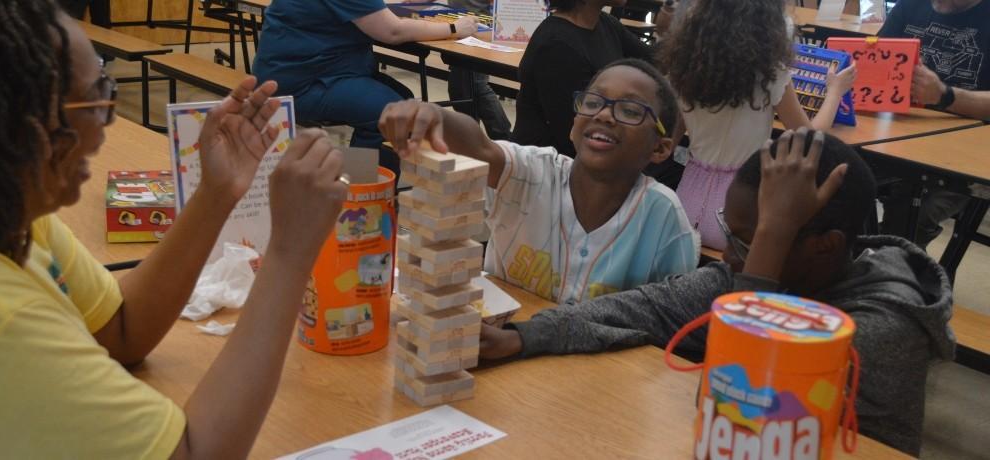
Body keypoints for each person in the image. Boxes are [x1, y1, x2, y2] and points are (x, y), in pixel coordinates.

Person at [0, 2, 349, 457]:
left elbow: (123, 330)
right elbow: (196, 452)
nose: (105, 127)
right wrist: (289, 252)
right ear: (11, 127)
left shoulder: (8, 217)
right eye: (96, 102)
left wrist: (217, 192)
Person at [478, 129, 955, 456]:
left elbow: (747, 407)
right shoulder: (764, 273)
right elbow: (644, 308)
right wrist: (524, 336)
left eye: (752, 240)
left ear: (825, 247)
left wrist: (769, 238)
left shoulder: (886, 326)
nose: (728, 256)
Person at [381, 59, 697, 303]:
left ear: (660, 148)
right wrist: (436, 116)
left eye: (629, 110)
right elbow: (481, 147)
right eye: (593, 102)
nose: (604, 115)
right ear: (574, 123)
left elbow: (669, 316)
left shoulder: (663, 215)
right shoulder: (533, 173)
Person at [660, 0, 856, 251]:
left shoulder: (683, 66)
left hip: (683, 209)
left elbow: (674, 130)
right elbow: (811, 136)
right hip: (740, 211)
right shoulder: (769, 74)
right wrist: (835, 92)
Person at [252, 0, 477, 178]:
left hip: (299, 73)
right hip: (302, 85)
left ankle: (381, 188)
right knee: (390, 112)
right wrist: (454, 28)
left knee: (404, 102)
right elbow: (393, 31)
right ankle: (361, 199)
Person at [878, 0, 990, 248]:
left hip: (964, 157)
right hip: (895, 140)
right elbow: (874, 65)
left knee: (910, 214)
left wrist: (945, 96)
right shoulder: (909, 7)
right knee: (836, 180)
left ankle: (890, 277)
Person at [510, 0, 656, 158]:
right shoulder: (557, 46)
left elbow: (657, 59)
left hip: (590, 150)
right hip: (551, 165)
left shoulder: (604, 23)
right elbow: (575, 135)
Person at [447, 0, 512, 140]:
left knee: (475, 86)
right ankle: (471, 136)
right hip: (457, 24)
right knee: (461, 88)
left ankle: (503, 137)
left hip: (478, 28)